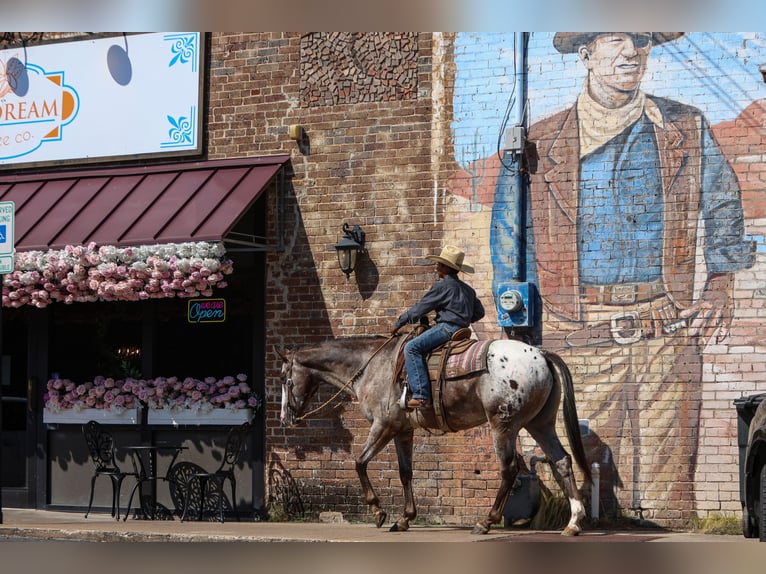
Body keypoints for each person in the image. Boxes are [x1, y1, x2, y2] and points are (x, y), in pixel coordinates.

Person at [491, 32, 755, 521]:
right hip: (581, 336)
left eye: (641, 40)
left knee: (669, 493)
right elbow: (510, 233)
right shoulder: (541, 140)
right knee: (580, 483)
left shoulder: (685, 126)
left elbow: (722, 201)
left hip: (669, 331)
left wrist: (720, 283)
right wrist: (518, 321)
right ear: (586, 54)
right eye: (616, 39)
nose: (630, 51)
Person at [393, 245, 485, 410]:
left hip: (446, 329)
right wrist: (463, 316)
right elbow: (480, 313)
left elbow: (421, 308)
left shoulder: (442, 286)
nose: (437, 268)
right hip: (463, 331)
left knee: (411, 348)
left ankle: (421, 396)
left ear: (447, 268)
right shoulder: (468, 290)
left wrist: (400, 322)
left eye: (440, 265)